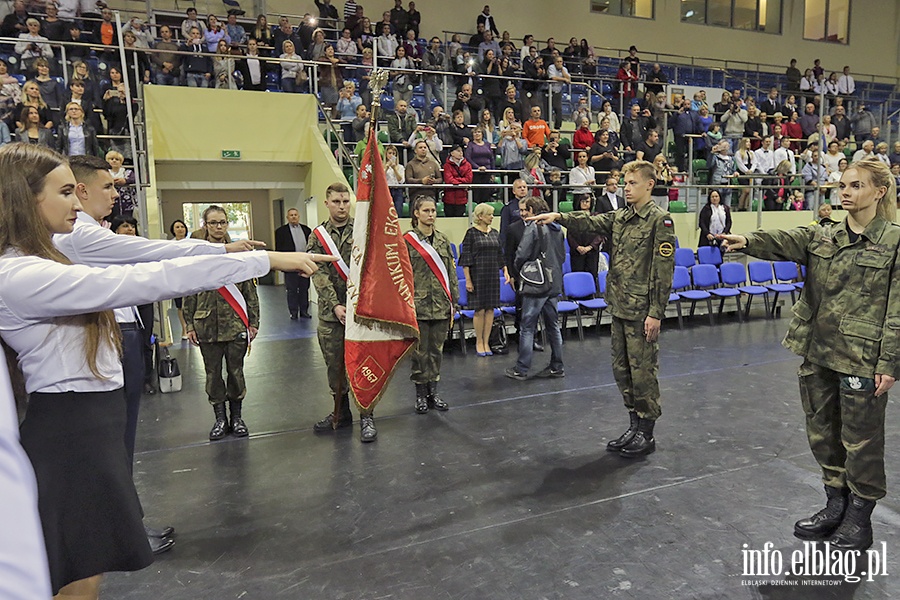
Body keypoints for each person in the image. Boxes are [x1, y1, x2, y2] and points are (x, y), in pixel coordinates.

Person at [1, 143, 332, 600]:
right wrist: (264, 260)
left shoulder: (43, 260)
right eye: (64, 192)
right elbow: (145, 276)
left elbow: (152, 259)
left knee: (88, 569)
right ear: (24, 199)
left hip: (87, 421)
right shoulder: (21, 275)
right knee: (76, 572)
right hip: (68, 431)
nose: (77, 203)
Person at [718, 158, 898, 552]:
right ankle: (835, 503)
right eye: (842, 185)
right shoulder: (825, 235)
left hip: (862, 358)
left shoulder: (894, 241)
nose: (845, 192)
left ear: (879, 191)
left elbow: (898, 309)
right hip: (818, 352)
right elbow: (786, 239)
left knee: (861, 441)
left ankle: (859, 518)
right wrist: (745, 240)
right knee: (822, 433)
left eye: (855, 185)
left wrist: (889, 362)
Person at [531, 160, 676, 457]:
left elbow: (664, 272)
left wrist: (655, 313)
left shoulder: (660, 221)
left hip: (641, 310)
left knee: (643, 371)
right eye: (625, 182)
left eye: (633, 182)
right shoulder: (621, 216)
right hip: (620, 305)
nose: (627, 187)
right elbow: (590, 222)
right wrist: (558, 215)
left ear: (649, 184)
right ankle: (634, 425)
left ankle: (646, 433)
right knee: (622, 370)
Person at [308, 183, 379, 442]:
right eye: (336, 202)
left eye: (345, 202)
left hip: (361, 313)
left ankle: (367, 416)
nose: (341, 206)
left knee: (362, 366)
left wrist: (361, 304)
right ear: (326, 203)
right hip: (331, 315)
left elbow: (372, 267)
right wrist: (335, 304)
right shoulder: (317, 236)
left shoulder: (362, 230)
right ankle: (341, 413)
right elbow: (318, 272)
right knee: (334, 366)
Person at [184, 206, 260, 440]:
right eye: (214, 223)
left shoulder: (239, 254)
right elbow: (189, 292)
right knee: (213, 374)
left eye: (223, 222)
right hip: (206, 325)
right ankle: (220, 418)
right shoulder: (198, 255)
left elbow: (249, 290)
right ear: (205, 225)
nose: (219, 227)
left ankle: (237, 417)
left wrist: (254, 322)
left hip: (235, 323)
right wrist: (188, 325)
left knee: (236, 373)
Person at [404, 195, 459, 413]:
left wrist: (454, 300)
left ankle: (433, 393)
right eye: (426, 211)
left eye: (433, 211)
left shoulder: (443, 240)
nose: (431, 214)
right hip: (418, 306)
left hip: (441, 305)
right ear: (416, 213)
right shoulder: (406, 241)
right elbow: (400, 275)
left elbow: (451, 272)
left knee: (436, 351)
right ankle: (420, 395)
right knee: (419, 353)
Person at [506, 196, 565, 381]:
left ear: (532, 210)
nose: (523, 213)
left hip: (536, 284)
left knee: (527, 327)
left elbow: (521, 253)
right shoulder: (558, 228)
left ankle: (521, 369)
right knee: (553, 326)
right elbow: (562, 256)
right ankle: (557, 366)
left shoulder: (534, 227)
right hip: (554, 282)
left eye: (525, 210)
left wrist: (519, 269)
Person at [458, 202, 506, 356]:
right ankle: (479, 341)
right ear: (480, 216)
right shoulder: (471, 233)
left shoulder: (495, 233)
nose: (492, 217)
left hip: (492, 275)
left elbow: (500, 255)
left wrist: (505, 270)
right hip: (477, 275)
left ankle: (486, 342)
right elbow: (466, 258)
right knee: (479, 310)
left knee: (490, 309)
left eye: (492, 214)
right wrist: (468, 280)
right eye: (489, 214)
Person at [275, 208, 312, 319]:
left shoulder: (307, 230)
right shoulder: (281, 232)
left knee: (304, 289)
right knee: (292, 290)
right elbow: (279, 249)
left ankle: (304, 311)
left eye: (295, 215)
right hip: (290, 265)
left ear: (298, 216)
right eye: (291, 215)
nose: (294, 217)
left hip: (304, 264)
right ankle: (294, 312)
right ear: (288, 217)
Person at [442, 143, 473, 217]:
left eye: (461, 151)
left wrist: (456, 180)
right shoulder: (447, 165)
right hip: (449, 199)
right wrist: (462, 182)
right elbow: (448, 180)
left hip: (462, 199)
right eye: (458, 151)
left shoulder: (467, 165)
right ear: (452, 153)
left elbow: (469, 179)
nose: (461, 153)